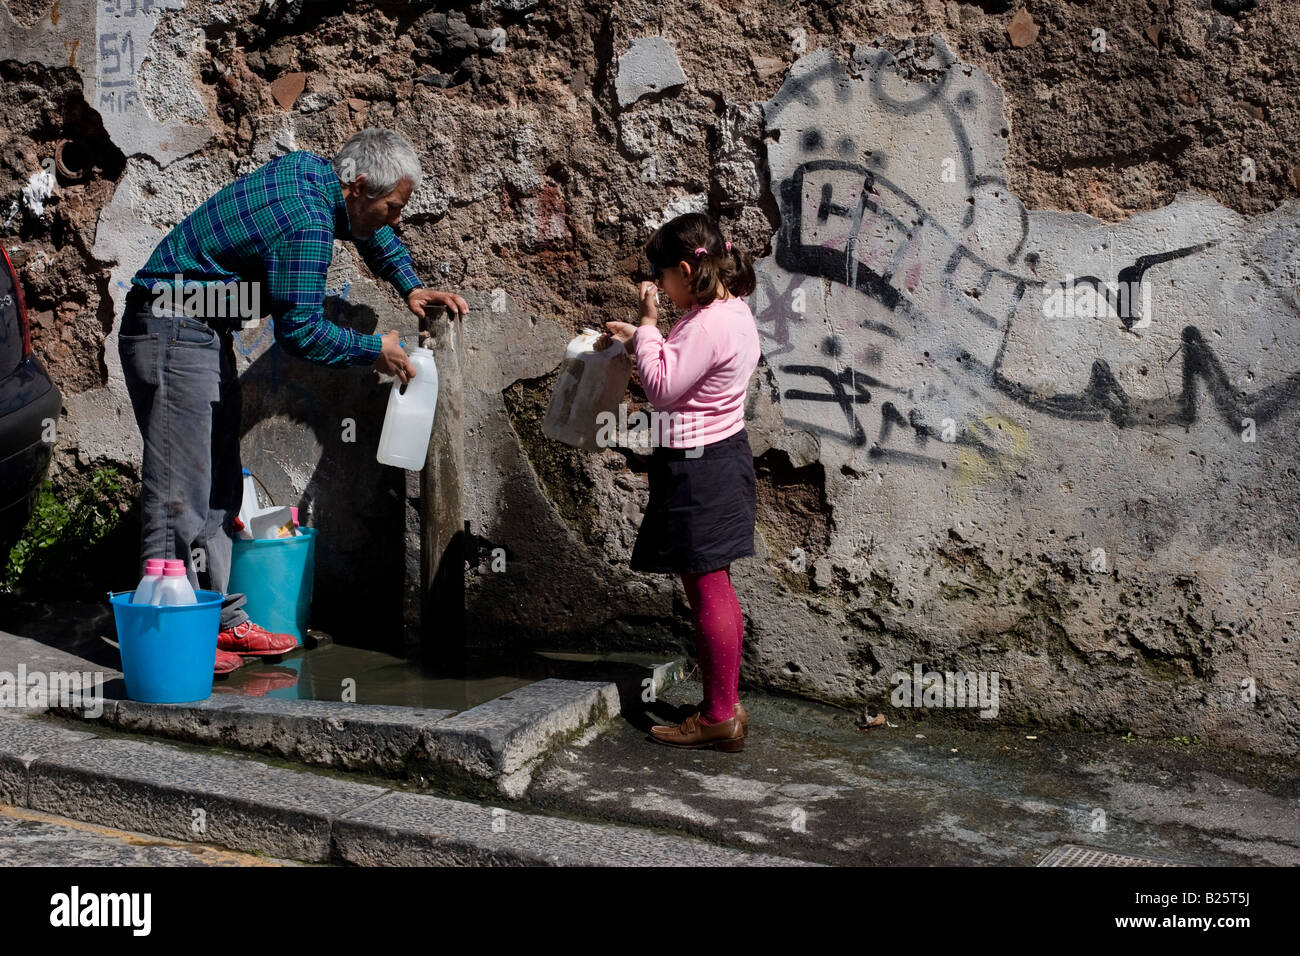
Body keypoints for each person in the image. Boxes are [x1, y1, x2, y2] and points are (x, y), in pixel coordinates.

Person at [118, 128, 468, 675]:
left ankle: (217, 616)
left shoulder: (316, 176)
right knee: (179, 485)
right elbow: (300, 331)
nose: (395, 218)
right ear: (357, 185)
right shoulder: (306, 220)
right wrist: (372, 349)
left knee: (219, 482)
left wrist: (408, 283)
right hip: (168, 328)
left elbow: (365, 225)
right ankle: (172, 628)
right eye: (393, 206)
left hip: (200, 330)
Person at [601, 212, 760, 752]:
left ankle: (718, 716)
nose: (659, 286)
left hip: (699, 465)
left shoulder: (706, 322)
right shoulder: (730, 311)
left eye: (662, 275)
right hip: (722, 457)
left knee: (707, 585)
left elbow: (665, 388)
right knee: (713, 582)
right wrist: (639, 341)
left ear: (689, 269)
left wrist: (646, 325)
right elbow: (685, 368)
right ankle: (724, 704)